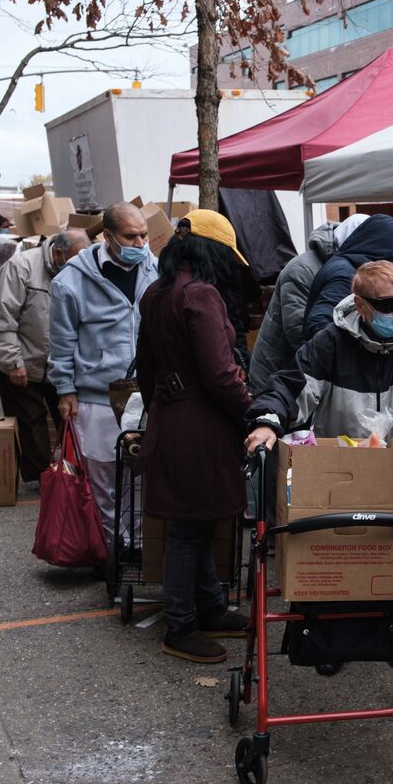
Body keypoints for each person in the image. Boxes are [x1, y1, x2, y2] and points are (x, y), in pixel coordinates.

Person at [136, 210, 252, 664]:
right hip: (201, 422)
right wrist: (253, 412)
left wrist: (165, 404)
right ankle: (182, 625)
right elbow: (221, 374)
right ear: (211, 251)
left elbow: (145, 367)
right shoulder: (201, 295)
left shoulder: (157, 291)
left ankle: (207, 608)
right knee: (189, 528)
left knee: (197, 523)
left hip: (172, 415)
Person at [245, 259, 393, 456]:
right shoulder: (329, 343)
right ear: (360, 305)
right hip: (337, 468)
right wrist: (267, 420)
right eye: (388, 305)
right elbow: (291, 387)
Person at [49, 202, 159, 557]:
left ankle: (139, 549)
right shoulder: (71, 281)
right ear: (108, 236)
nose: (140, 242)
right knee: (103, 479)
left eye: (143, 234)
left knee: (140, 476)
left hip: (144, 392)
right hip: (96, 395)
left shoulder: (154, 269)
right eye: (131, 236)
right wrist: (66, 389)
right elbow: (62, 341)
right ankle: (114, 551)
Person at [0, 230, 90, 485]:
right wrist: (14, 362)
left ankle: (70, 474)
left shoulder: (79, 271)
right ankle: (42, 479)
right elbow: (4, 318)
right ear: (58, 253)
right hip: (24, 359)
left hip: (59, 363)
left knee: (70, 420)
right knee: (31, 422)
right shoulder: (20, 267)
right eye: (76, 260)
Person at [248, 214, 369, 392]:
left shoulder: (348, 267)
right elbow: (298, 331)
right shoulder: (302, 269)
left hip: (309, 376)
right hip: (279, 378)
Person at [301, 214, 393, 342]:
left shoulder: (346, 266)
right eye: (386, 303)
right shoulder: (346, 275)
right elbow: (319, 326)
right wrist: (354, 353)